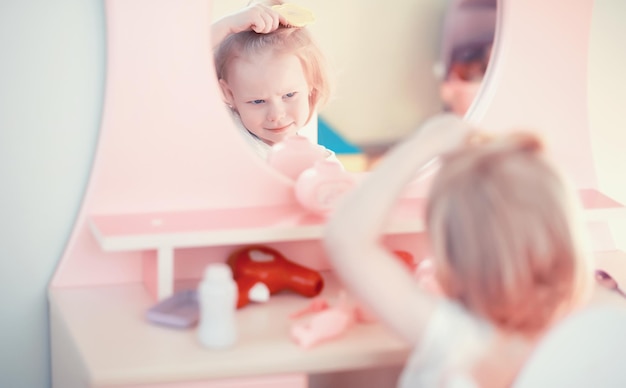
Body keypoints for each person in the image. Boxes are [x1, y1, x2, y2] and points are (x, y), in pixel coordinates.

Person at [323, 114, 596, 387]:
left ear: (450, 262)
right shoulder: (591, 343)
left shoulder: (457, 339)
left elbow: (347, 237)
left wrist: (426, 142)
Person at [211, 1, 333, 159]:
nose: (276, 115)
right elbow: (175, 67)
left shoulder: (319, 159)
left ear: (311, 84)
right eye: (257, 101)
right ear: (229, 93)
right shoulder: (227, 128)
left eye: (289, 95)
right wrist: (226, 25)